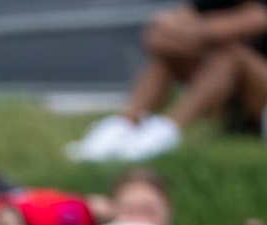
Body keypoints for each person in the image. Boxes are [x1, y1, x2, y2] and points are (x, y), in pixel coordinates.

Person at [66, 1, 267, 162]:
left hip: (260, 100)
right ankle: (124, 125)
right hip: (230, 96)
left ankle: (166, 132)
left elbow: (250, 22)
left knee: (232, 56)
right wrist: (173, 30)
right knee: (169, 57)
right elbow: (158, 35)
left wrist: (188, 30)